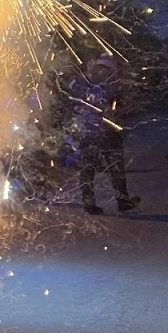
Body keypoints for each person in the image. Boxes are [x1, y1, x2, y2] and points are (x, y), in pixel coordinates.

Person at [66, 54, 139, 215]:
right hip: (107, 131)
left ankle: (89, 203)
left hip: (86, 131)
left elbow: (70, 96)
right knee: (115, 167)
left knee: (88, 168)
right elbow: (122, 105)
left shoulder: (82, 82)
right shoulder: (111, 84)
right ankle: (122, 201)